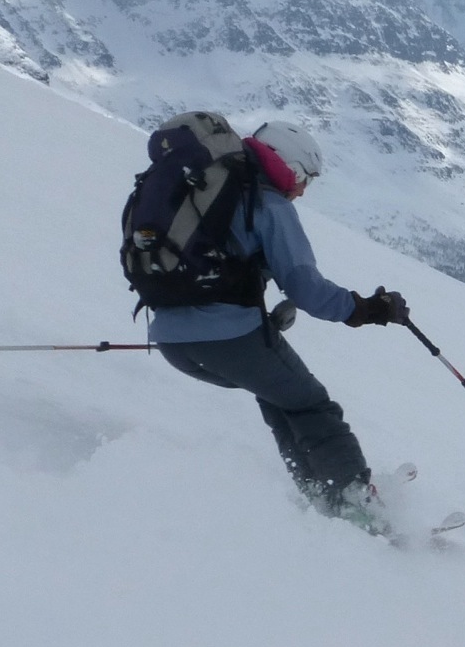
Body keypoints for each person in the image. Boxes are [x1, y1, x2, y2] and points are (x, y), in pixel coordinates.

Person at [147, 120, 407, 525]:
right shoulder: (267, 205)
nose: (303, 190)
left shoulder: (203, 195)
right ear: (292, 167)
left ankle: (321, 499)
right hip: (230, 338)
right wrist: (369, 309)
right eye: (306, 178)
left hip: (171, 340)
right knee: (313, 407)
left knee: (280, 398)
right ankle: (360, 510)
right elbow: (307, 288)